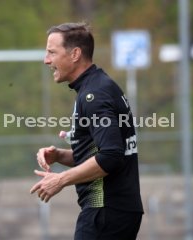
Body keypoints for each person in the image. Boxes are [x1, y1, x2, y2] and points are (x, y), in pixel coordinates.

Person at [30, 22, 144, 240]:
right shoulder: (97, 86)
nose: (46, 60)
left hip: (106, 209)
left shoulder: (94, 95)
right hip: (115, 210)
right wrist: (60, 155)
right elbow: (104, 152)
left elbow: (111, 156)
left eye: (52, 52)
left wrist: (60, 180)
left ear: (75, 54)